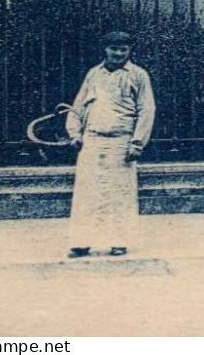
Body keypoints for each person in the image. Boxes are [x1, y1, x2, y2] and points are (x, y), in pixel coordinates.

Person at [64, 30, 155, 258]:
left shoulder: (138, 75)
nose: (118, 53)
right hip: (92, 141)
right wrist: (75, 133)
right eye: (113, 48)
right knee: (87, 194)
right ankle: (81, 242)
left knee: (120, 194)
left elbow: (146, 109)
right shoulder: (94, 74)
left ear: (129, 51)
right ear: (105, 49)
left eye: (123, 49)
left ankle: (119, 241)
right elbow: (78, 106)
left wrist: (137, 143)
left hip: (121, 142)